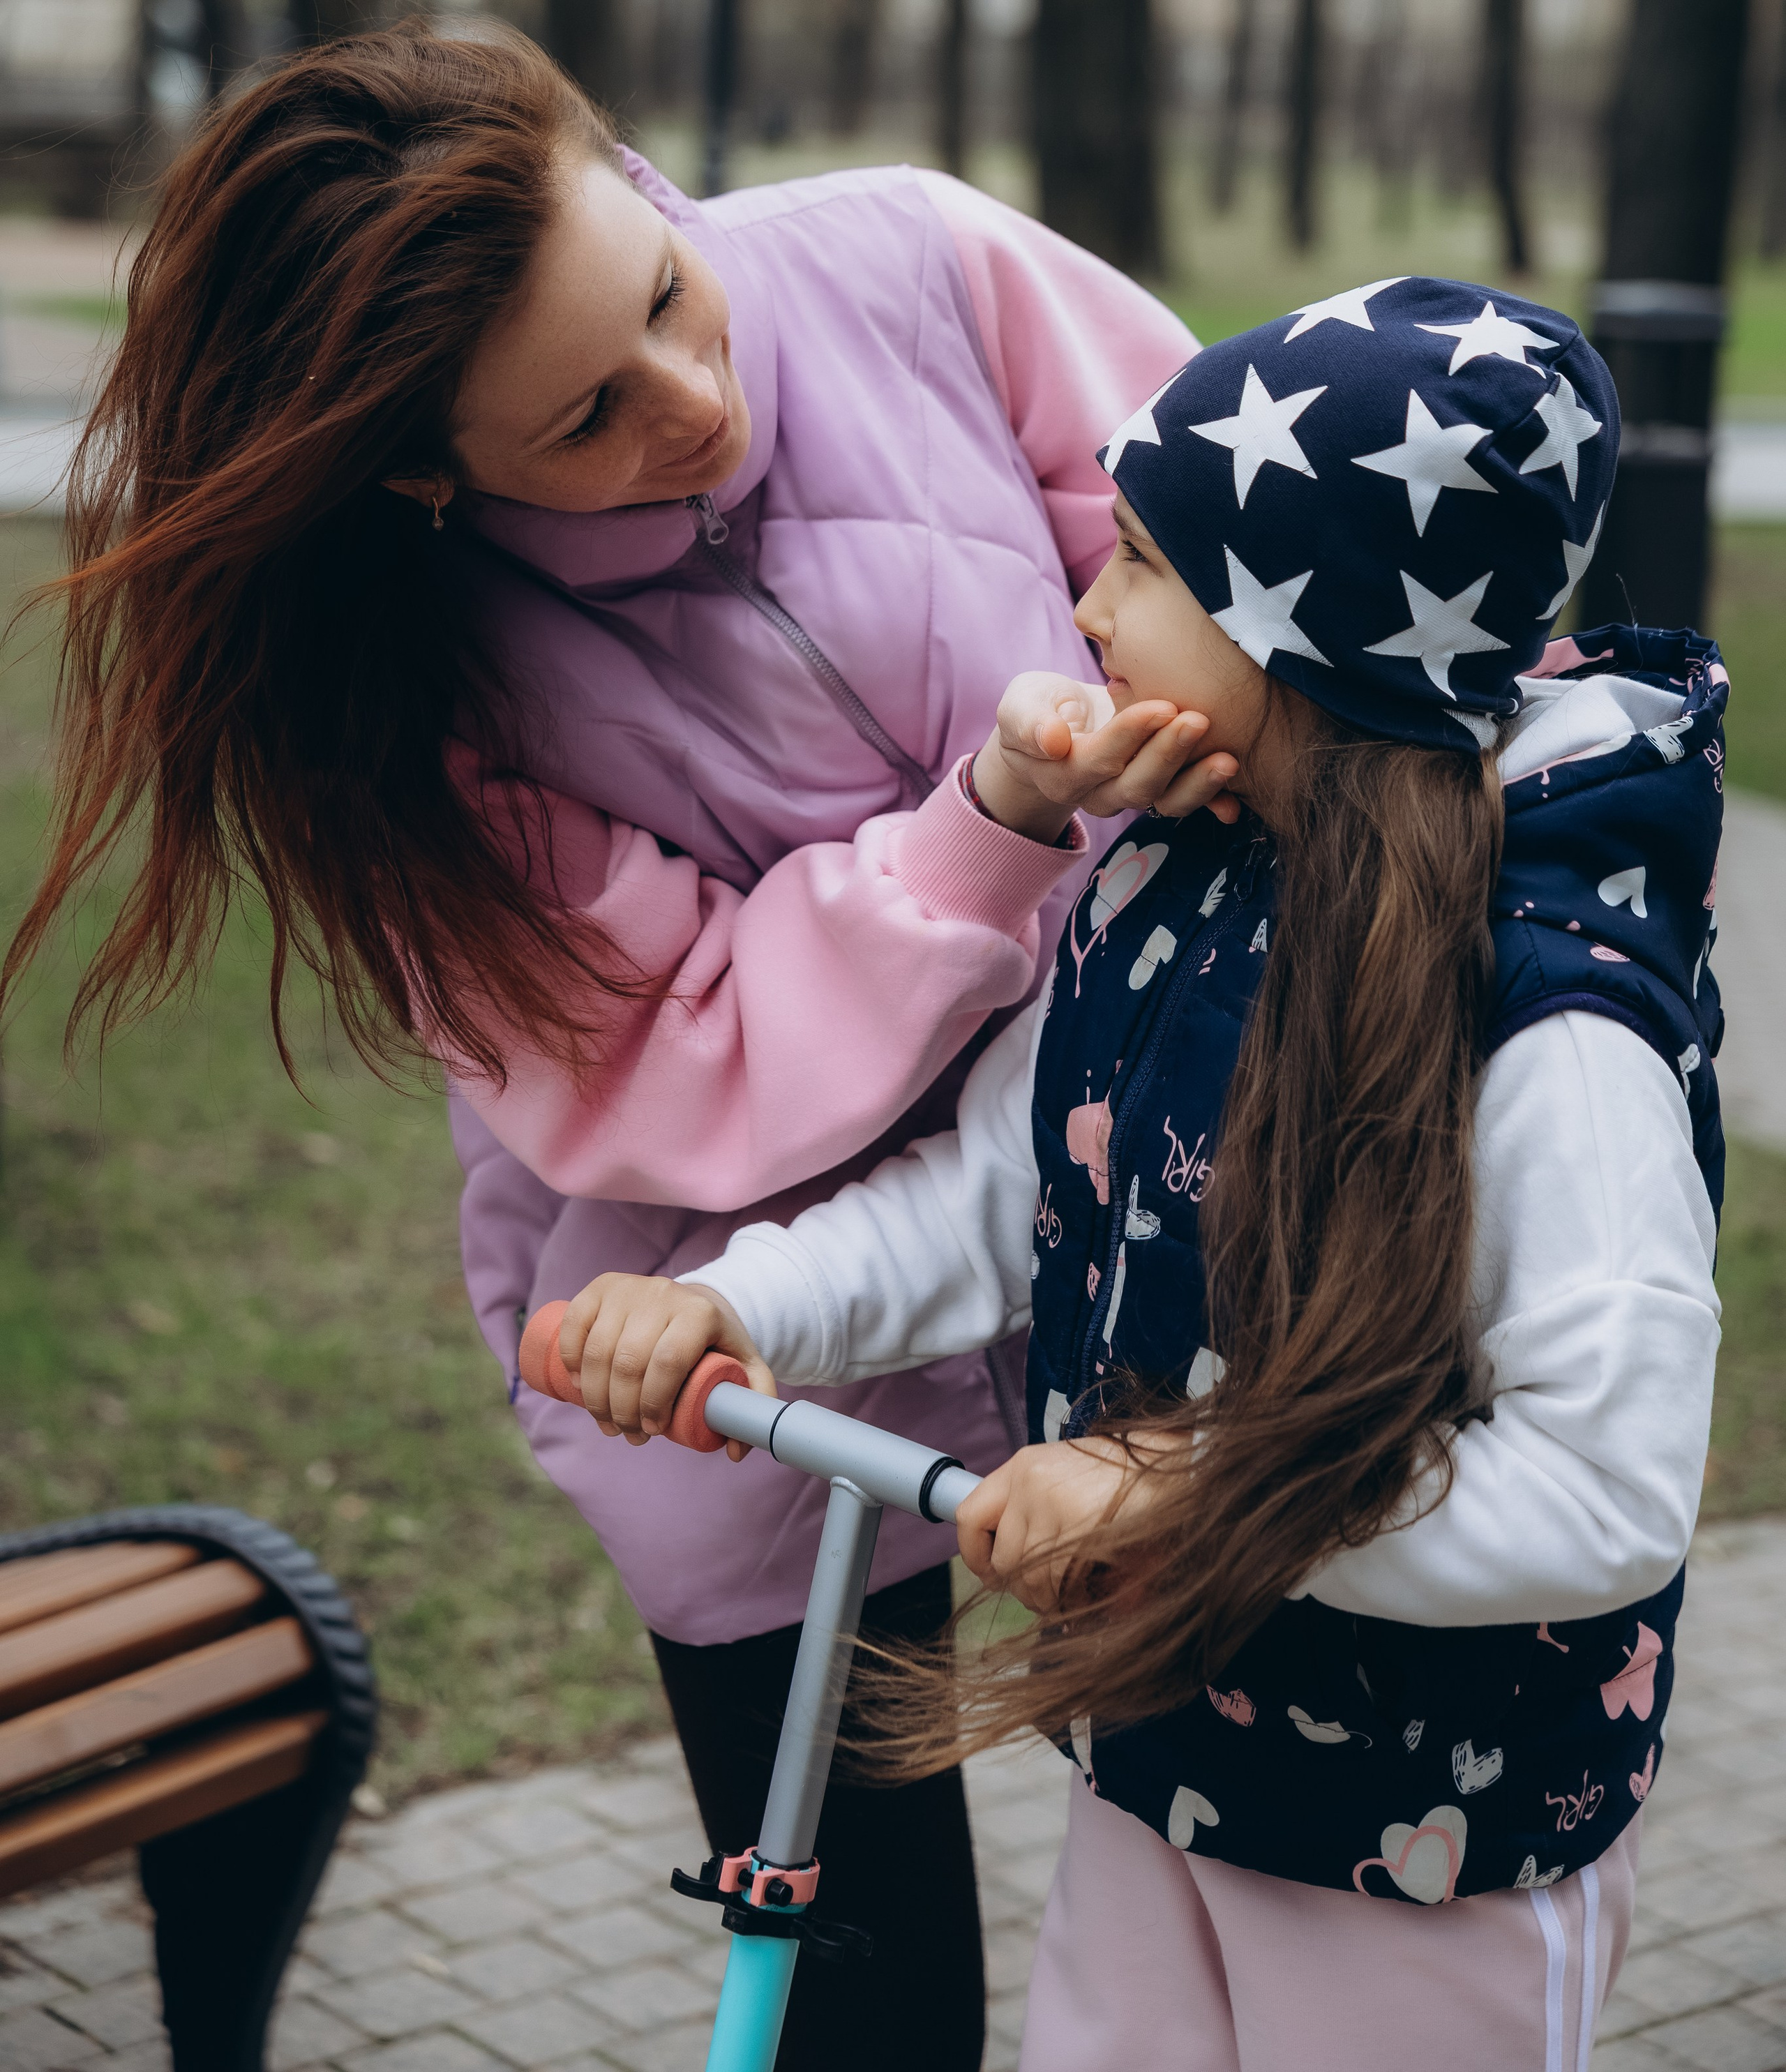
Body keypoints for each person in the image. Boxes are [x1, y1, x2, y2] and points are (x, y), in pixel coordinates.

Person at [4, 20, 1204, 2071]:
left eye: (661, 291)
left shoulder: (916, 260)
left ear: (635, 175)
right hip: (728, 1335)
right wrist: (990, 837)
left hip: (1152, 1198)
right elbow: (673, 1056)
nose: (697, 402)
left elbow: (1233, 549)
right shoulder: (409, 711)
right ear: (421, 469)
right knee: (853, 1977)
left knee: (1220, 1859)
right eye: (581, 418)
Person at [557, 278, 1725, 2071]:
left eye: (1147, 570)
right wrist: (738, 1299)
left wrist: (1190, 1498)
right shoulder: (1165, 877)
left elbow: (1602, 1489)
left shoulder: (1551, 1025)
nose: (1085, 604)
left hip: (1432, 1833)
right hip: (1166, 1759)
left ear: (1309, 635)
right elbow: (995, 1200)